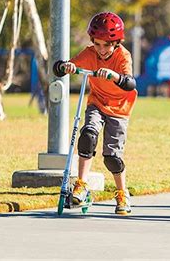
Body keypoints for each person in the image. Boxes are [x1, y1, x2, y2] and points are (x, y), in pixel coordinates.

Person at [53, 12, 137, 215]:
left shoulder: (123, 56)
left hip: (119, 109)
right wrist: (67, 66)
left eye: (107, 45)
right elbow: (60, 68)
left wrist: (114, 76)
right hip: (97, 103)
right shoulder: (90, 54)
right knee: (88, 135)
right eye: (98, 44)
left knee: (112, 157)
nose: (102, 50)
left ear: (116, 43)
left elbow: (130, 83)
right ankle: (81, 184)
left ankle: (122, 192)